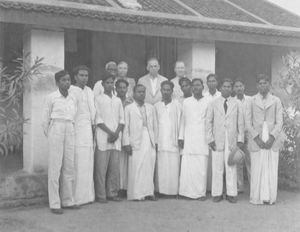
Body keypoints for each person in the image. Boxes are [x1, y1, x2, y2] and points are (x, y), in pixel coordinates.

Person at [42, 70, 79, 214]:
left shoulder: (73, 98)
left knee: (69, 165)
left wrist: (70, 128)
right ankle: (55, 203)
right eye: (63, 80)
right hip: (56, 127)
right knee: (55, 166)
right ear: (57, 83)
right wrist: (52, 134)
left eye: (69, 80)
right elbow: (45, 120)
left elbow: (74, 114)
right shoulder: (51, 97)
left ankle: (68, 200)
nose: (67, 82)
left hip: (69, 127)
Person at [245, 74, 283, 205]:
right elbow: (248, 122)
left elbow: (279, 122)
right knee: (256, 168)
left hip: (272, 137)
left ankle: (270, 197)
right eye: (260, 83)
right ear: (257, 86)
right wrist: (256, 138)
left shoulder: (276, 100)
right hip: (257, 138)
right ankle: (257, 197)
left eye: (265, 83)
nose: (263, 85)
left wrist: (272, 137)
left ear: (269, 84)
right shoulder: (251, 100)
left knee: (271, 167)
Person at [206, 78, 244, 203]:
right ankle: (216, 193)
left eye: (229, 86)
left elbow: (240, 123)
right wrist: (210, 139)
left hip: (231, 139)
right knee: (217, 166)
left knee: (231, 165)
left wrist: (240, 139)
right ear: (220, 88)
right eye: (224, 86)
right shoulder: (213, 102)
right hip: (217, 139)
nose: (227, 88)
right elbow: (208, 122)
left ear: (231, 89)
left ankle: (231, 193)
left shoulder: (236, 103)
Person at [123, 84, 157, 201]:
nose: (141, 94)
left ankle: (149, 192)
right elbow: (125, 127)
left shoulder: (150, 107)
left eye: (143, 92)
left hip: (149, 137)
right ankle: (137, 194)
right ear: (133, 93)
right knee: (137, 166)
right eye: (139, 92)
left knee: (149, 164)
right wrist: (126, 143)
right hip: (135, 139)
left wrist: (155, 141)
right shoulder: (129, 108)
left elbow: (155, 126)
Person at [94, 73, 124, 203]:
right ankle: (101, 195)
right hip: (103, 137)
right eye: (107, 83)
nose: (110, 85)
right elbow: (98, 119)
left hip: (115, 138)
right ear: (102, 84)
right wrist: (110, 133)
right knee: (101, 169)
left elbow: (122, 120)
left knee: (114, 168)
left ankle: (112, 193)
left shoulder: (117, 100)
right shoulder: (98, 99)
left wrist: (116, 133)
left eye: (112, 83)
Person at [178, 78, 210, 200]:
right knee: (188, 165)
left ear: (203, 87)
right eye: (194, 85)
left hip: (202, 137)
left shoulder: (208, 101)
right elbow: (183, 120)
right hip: (189, 136)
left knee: (201, 166)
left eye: (198, 85)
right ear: (191, 87)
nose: (196, 87)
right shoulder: (186, 102)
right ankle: (186, 192)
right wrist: (181, 137)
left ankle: (200, 193)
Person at [69, 65, 96, 206]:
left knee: (87, 162)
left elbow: (93, 112)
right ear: (75, 77)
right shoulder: (72, 91)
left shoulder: (90, 91)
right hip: (77, 130)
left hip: (88, 130)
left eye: (86, 75)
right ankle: (76, 198)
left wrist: (93, 126)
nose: (84, 78)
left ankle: (87, 197)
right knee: (77, 163)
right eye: (81, 75)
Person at [154, 81, 181, 196]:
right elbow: (154, 125)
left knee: (173, 167)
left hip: (173, 141)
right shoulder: (156, 106)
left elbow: (181, 123)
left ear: (172, 91)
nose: (166, 92)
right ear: (161, 91)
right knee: (162, 167)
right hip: (161, 141)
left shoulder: (177, 105)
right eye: (164, 90)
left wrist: (180, 138)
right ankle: (161, 191)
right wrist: (155, 141)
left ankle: (173, 191)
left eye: (168, 90)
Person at [233, 79, 252, 193]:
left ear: (244, 87)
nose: (239, 88)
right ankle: (239, 186)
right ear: (234, 89)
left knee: (250, 161)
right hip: (237, 135)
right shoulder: (231, 101)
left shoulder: (250, 100)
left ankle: (253, 185)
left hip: (249, 134)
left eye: (240, 85)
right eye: (236, 86)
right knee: (238, 161)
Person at [115, 79, 133, 195]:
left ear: (127, 89)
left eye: (124, 88)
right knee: (116, 161)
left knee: (125, 161)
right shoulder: (113, 100)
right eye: (120, 87)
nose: (122, 90)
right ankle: (116, 187)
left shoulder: (130, 102)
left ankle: (125, 187)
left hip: (127, 133)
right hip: (115, 132)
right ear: (115, 89)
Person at [204, 73, 221, 193]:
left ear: (217, 82)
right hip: (207, 130)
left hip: (220, 130)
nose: (211, 83)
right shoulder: (204, 96)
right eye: (209, 81)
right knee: (207, 160)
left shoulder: (221, 95)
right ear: (206, 83)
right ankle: (207, 186)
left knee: (218, 161)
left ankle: (217, 187)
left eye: (213, 81)